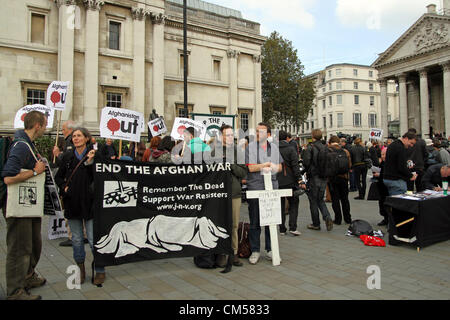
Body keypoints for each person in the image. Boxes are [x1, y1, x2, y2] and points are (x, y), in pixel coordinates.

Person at [2, 111, 48, 300]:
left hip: (29, 206)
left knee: (33, 244)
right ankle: (15, 291)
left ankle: (28, 276)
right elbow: (8, 177)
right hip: (18, 207)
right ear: (37, 125)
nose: (46, 128)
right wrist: (35, 172)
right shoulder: (21, 146)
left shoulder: (28, 145)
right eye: (44, 124)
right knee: (19, 248)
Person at [55, 127, 106, 285]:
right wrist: (64, 187)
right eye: (74, 136)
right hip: (73, 202)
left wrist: (91, 162)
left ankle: (99, 270)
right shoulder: (67, 156)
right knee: (77, 239)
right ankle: (81, 269)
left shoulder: (94, 155)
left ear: (86, 138)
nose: (75, 138)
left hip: (90, 203)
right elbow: (58, 177)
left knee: (92, 239)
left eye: (79, 136)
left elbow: (100, 176)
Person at [245, 122, 282, 264]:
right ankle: (255, 250)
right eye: (257, 131)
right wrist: (266, 165)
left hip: (271, 187)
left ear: (268, 135)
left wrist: (273, 167)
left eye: (261, 132)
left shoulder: (274, 148)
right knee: (255, 221)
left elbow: (279, 167)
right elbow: (251, 168)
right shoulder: (250, 148)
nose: (258, 134)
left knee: (271, 220)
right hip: (256, 187)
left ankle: (270, 249)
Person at [212, 125, 247, 267]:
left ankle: (234, 252)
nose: (230, 137)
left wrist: (231, 164)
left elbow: (243, 173)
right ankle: (221, 252)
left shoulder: (238, 151)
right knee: (220, 224)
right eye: (227, 135)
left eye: (231, 135)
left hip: (234, 192)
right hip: (219, 192)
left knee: (233, 225)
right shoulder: (214, 152)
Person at [302, 129, 334, 231]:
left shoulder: (311, 147)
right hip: (323, 176)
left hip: (314, 176)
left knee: (313, 200)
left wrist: (305, 171)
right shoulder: (326, 147)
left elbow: (306, 162)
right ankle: (327, 216)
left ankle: (316, 223)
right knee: (320, 199)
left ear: (313, 136)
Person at [277, 130, 303, 236]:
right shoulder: (291, 149)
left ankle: (282, 228)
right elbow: (295, 166)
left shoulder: (273, 149)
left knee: (280, 205)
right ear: (287, 138)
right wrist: (299, 179)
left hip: (277, 181)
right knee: (294, 203)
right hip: (290, 180)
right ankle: (293, 227)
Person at [327, 135, 352, 225]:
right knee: (345, 199)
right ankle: (348, 218)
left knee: (335, 199)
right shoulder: (345, 151)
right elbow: (349, 165)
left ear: (330, 142)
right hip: (344, 177)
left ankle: (338, 219)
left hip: (332, 178)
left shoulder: (328, 151)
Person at [373, 147, 389, 226]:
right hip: (381, 186)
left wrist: (379, 174)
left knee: (386, 203)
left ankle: (387, 219)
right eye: (382, 154)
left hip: (386, 187)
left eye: (384, 154)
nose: (383, 156)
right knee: (382, 203)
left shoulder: (389, 163)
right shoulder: (382, 163)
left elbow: (387, 174)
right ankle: (385, 218)